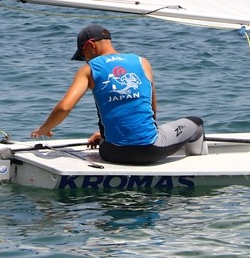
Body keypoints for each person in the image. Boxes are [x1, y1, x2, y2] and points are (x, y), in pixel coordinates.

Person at [30, 23, 206, 165]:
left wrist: (45, 129)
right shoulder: (142, 62)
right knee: (196, 123)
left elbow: (65, 106)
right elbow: (151, 111)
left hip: (111, 152)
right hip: (149, 151)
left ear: (90, 46)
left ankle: (110, 137)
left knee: (109, 135)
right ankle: (198, 168)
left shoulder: (88, 69)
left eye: (83, 55)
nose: (85, 60)